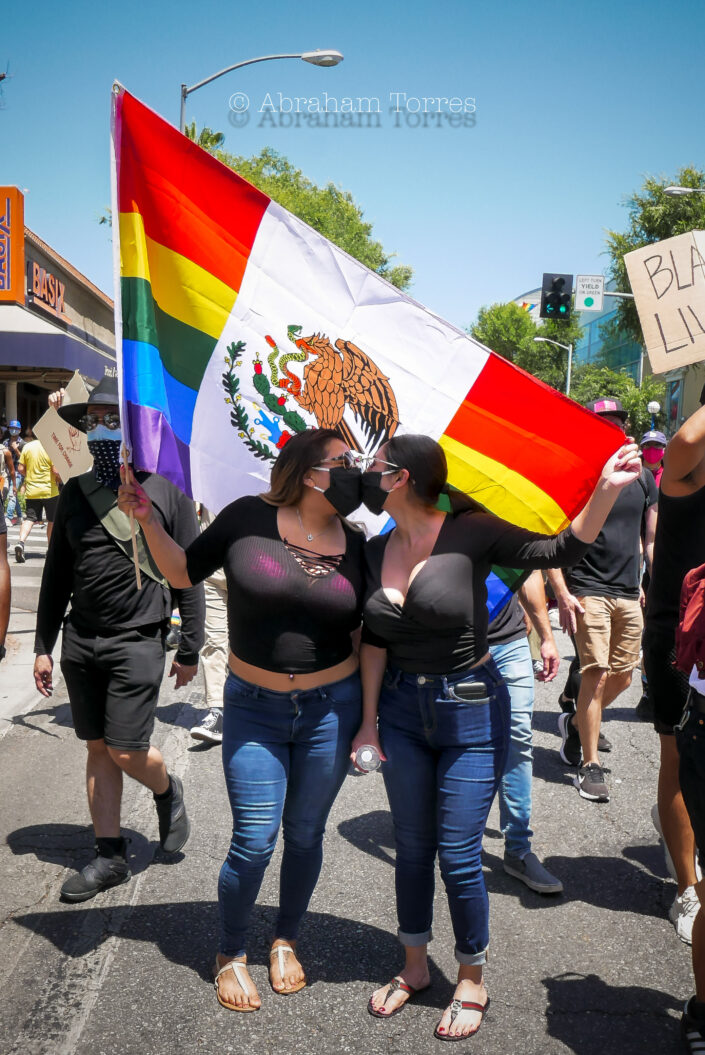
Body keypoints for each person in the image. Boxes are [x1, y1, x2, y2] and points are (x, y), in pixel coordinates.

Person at [354, 432, 641, 1042]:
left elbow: (558, 545)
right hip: (402, 710)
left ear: (400, 477)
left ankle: (471, 977)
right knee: (411, 848)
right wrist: (368, 721)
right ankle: (414, 968)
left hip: (471, 707)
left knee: (458, 855)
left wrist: (606, 488)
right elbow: (374, 642)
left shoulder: (473, 530)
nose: (365, 469)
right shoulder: (377, 544)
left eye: (374, 464)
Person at [118, 428, 366, 1012]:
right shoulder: (245, 518)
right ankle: (231, 951)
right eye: (343, 461)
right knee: (254, 842)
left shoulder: (356, 541)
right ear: (310, 472)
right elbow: (182, 573)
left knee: (305, 834)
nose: (354, 469)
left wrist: (370, 719)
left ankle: (285, 940)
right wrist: (149, 518)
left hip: (332, 710)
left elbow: (365, 633)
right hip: (255, 707)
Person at [33, 373, 205, 902]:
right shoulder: (74, 493)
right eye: (94, 422)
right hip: (81, 640)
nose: (102, 430)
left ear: (132, 429)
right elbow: (56, 576)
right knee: (97, 748)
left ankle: (166, 787)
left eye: (113, 421)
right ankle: (109, 857)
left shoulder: (166, 489)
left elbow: (187, 571)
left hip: (139, 640)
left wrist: (190, 645)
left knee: (128, 750)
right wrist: (42, 646)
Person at [556, 398, 657, 802]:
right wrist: (562, 591)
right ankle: (589, 762)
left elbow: (648, 538)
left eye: (617, 422)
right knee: (594, 674)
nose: (611, 428)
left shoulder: (644, 478)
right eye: (603, 423)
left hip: (629, 590)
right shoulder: (579, 473)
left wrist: (654, 579)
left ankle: (579, 724)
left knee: (627, 675)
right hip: (588, 587)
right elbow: (554, 536)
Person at [644, 398, 705, 957]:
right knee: (679, 761)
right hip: (680, 642)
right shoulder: (685, 474)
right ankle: (688, 886)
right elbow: (685, 441)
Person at [489, 571, 563, 894]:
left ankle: (518, 848)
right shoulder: (439, 517)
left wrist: (546, 634)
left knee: (518, 737)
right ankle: (444, 838)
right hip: (452, 644)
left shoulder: (509, 519)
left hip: (509, 639)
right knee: (456, 741)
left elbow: (529, 567)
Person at [188, 505, 228, 745]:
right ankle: (217, 711)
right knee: (213, 640)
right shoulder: (208, 469)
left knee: (245, 643)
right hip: (210, 570)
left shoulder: (259, 471)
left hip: (249, 564)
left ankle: (245, 706)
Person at [15, 428, 60, 562]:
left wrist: (30, 476)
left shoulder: (28, 447)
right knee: (52, 520)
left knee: (30, 519)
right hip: (50, 491)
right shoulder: (51, 448)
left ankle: (21, 543)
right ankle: (50, 549)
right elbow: (56, 471)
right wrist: (59, 479)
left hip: (32, 491)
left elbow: (21, 469)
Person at [4, 420, 24, 525]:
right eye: (12, 428)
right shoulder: (5, 442)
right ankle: (20, 517)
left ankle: (9, 517)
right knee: (13, 494)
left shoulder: (23, 443)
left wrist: (16, 449)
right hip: (7, 473)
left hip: (17, 473)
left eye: (16, 429)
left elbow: (25, 459)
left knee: (12, 493)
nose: (13, 430)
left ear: (20, 430)